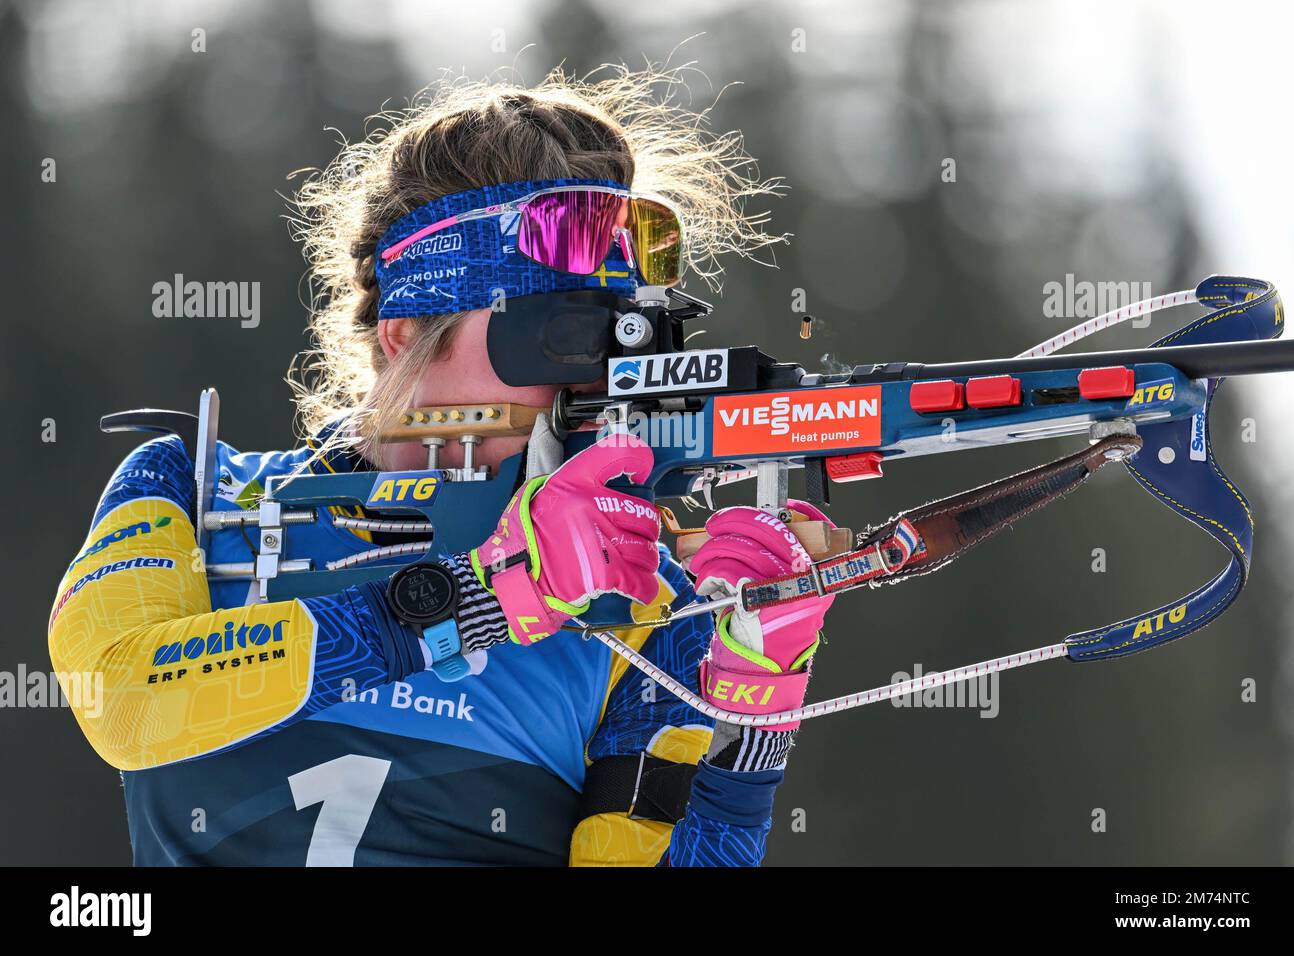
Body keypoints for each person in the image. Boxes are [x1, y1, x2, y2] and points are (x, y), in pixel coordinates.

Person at [47, 66, 835, 866]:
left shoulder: (636, 602)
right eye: (557, 338)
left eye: (621, 342)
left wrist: (750, 725)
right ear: (405, 332)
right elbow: (120, 699)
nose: (591, 387)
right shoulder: (191, 490)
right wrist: (480, 597)